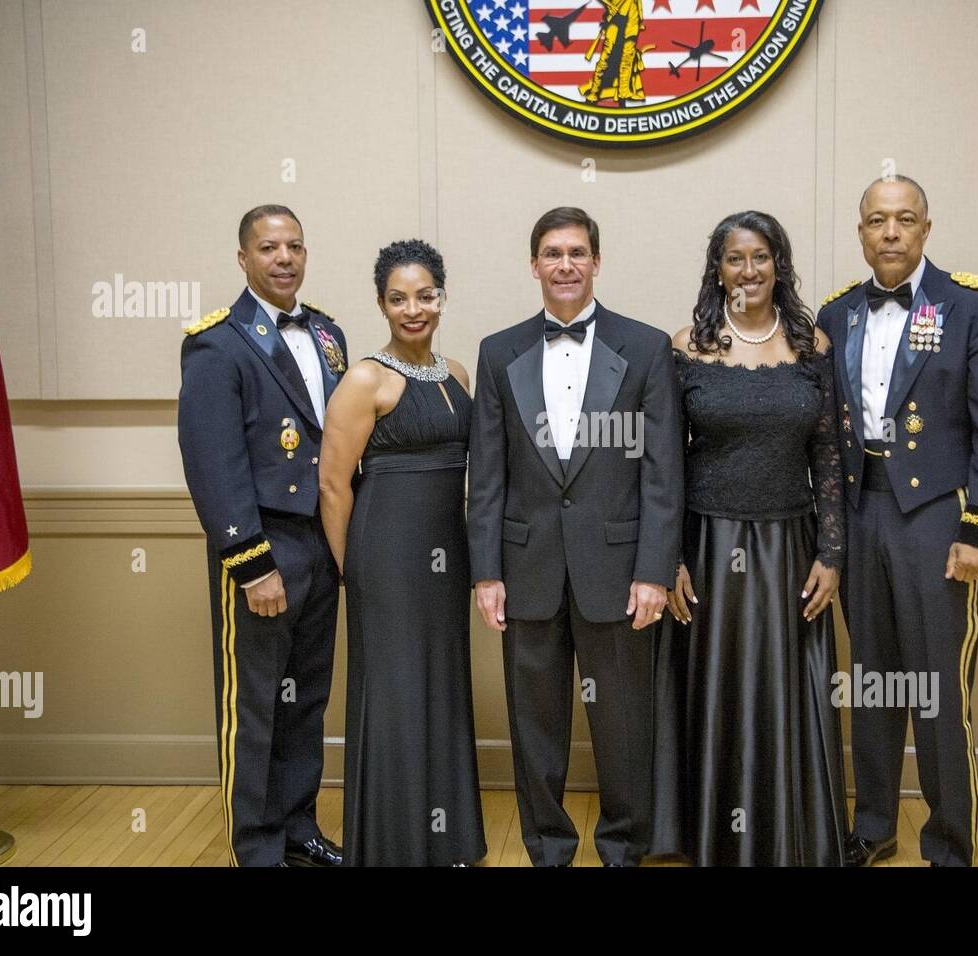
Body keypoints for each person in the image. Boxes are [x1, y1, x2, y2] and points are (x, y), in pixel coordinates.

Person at [816, 175, 978, 867]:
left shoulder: (975, 305)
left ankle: (949, 842)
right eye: (877, 220)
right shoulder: (837, 312)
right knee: (872, 680)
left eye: (905, 219)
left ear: (927, 228)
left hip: (939, 515)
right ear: (861, 232)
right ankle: (873, 827)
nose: (891, 232)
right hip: (859, 510)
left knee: (939, 687)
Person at [468, 207, 683, 867]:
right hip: (525, 566)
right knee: (535, 727)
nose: (566, 264)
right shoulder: (497, 351)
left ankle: (622, 848)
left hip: (618, 572)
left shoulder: (646, 347)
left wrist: (654, 571)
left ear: (596, 261)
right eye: (553, 253)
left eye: (578, 252)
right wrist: (484, 572)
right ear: (534, 264)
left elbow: (663, 473)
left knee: (623, 726)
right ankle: (547, 847)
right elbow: (488, 471)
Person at [651, 210, 848, 866]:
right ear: (717, 270)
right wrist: (669, 556)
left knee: (783, 692)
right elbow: (666, 464)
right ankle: (711, 832)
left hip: (790, 549)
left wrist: (832, 553)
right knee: (717, 690)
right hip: (707, 549)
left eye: (761, 257)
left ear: (778, 264)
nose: (749, 270)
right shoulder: (686, 347)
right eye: (735, 258)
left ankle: (789, 831)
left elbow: (830, 459)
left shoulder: (813, 345)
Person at [177, 204, 345, 867]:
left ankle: (299, 827)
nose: (284, 258)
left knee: (307, 697)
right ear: (243, 258)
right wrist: (251, 564)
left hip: (320, 545)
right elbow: (212, 463)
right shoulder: (216, 343)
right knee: (253, 706)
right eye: (269, 247)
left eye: (295, 246)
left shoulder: (328, 333)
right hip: (263, 546)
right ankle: (256, 847)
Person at [317, 239, 486, 867]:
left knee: (440, 683)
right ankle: (393, 845)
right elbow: (334, 484)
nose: (413, 309)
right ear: (382, 304)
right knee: (393, 689)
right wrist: (352, 570)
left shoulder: (460, 375)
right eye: (398, 298)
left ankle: (446, 841)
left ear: (441, 297)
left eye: (424, 295)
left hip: (448, 555)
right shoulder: (364, 378)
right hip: (383, 556)